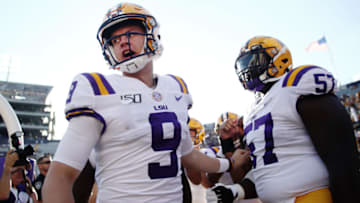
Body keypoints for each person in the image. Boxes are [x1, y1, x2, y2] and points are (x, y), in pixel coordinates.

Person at [42, 2, 250, 203]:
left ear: (152, 35)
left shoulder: (175, 87)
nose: (122, 42)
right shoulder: (97, 88)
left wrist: (228, 164)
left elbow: (188, 156)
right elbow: (60, 176)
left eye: (130, 33)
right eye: (114, 40)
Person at [207, 36, 360, 203]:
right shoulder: (253, 110)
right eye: (244, 64)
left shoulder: (294, 86)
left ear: (279, 59)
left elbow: (341, 153)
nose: (247, 69)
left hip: (310, 196)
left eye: (254, 61)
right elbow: (265, 169)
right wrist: (236, 191)